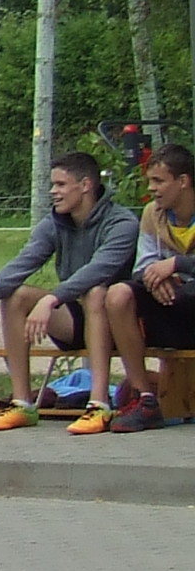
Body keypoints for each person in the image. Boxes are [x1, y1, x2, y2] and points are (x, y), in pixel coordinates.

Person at [0, 152, 138, 432]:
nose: (53, 192)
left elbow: (99, 269)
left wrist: (51, 299)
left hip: (120, 321)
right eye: (52, 185)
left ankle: (99, 406)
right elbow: (25, 260)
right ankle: (22, 404)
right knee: (16, 296)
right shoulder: (56, 222)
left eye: (60, 185)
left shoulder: (122, 223)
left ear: (85, 185)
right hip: (76, 317)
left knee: (96, 292)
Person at [91, 142, 195, 434]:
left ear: (183, 181)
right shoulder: (153, 213)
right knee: (118, 294)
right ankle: (145, 398)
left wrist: (175, 264)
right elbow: (143, 266)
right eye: (150, 181)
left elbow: (168, 265)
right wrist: (157, 278)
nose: (152, 189)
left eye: (159, 181)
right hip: (170, 302)